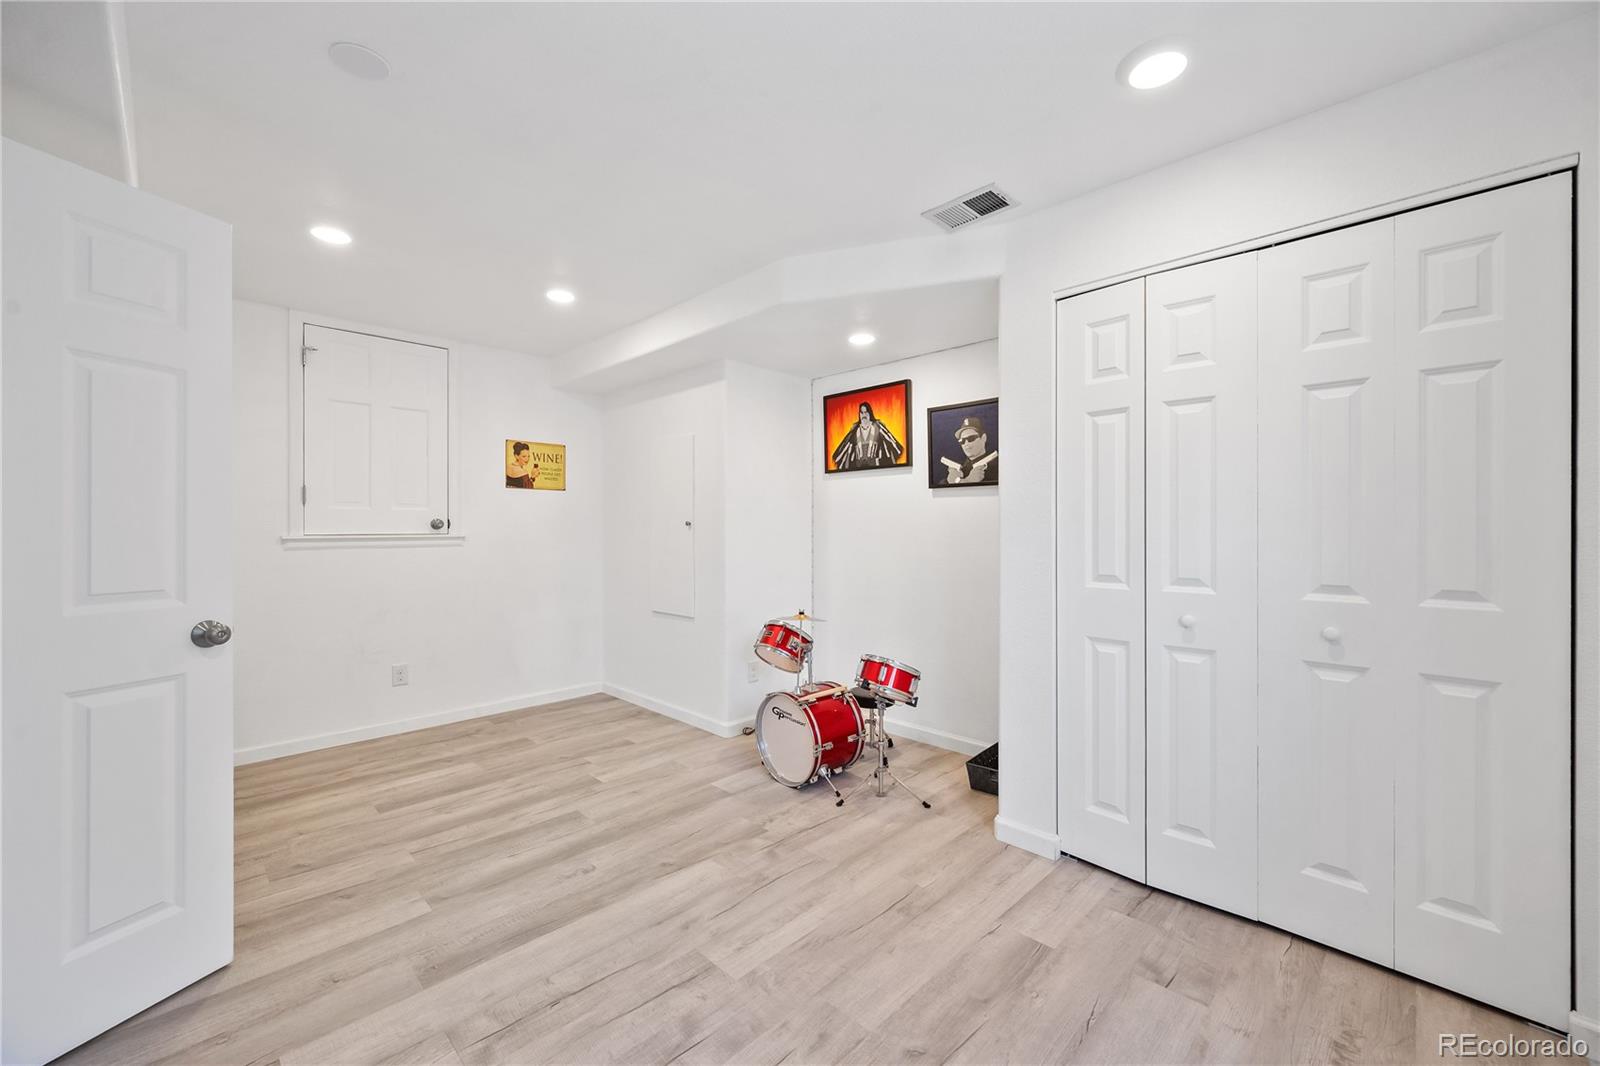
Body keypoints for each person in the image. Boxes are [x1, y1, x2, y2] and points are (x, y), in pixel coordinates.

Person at [831, 401, 904, 470]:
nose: (864, 415)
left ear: (870, 413)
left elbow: (890, 442)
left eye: (866, 412)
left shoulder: (877, 427)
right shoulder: (855, 430)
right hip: (858, 470)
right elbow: (846, 448)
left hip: (877, 468)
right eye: (862, 413)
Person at [942, 415, 997, 484]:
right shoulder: (957, 471)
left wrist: (959, 481)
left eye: (971, 438)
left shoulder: (998, 467)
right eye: (962, 441)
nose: (966, 443)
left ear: (983, 438)